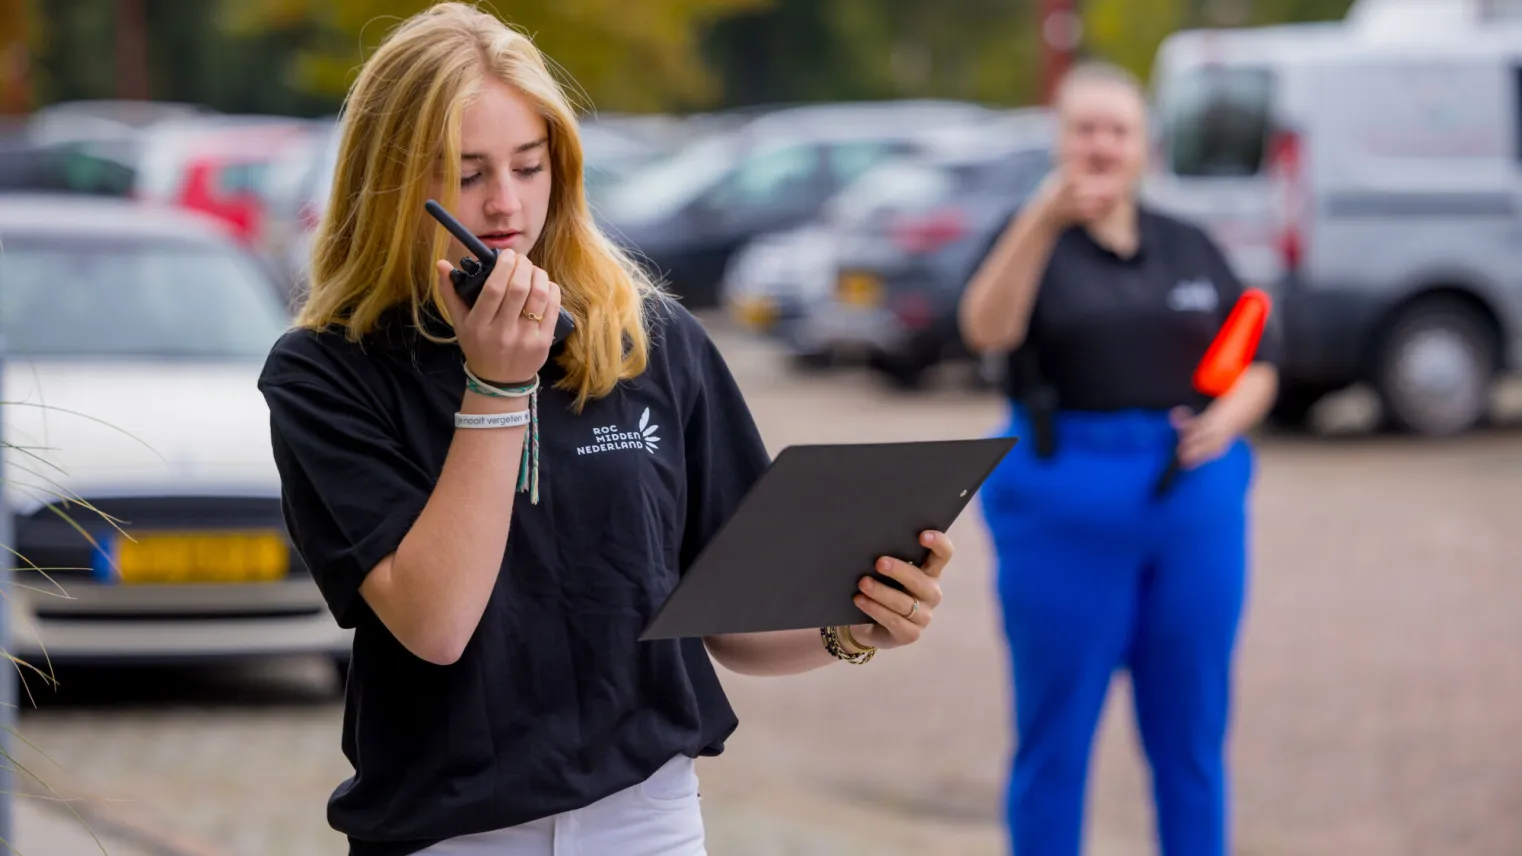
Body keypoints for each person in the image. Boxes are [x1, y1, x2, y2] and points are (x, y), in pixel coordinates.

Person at [255, 4, 960, 855]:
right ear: (394, 184)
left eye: (529, 165)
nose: (506, 203)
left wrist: (851, 625)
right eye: (468, 173)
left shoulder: (648, 338)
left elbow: (731, 612)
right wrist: (495, 386)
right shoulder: (326, 372)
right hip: (452, 833)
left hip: (648, 818)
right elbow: (435, 626)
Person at [957, 61, 1281, 856]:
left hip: (1192, 501)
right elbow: (986, 330)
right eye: (1085, 129)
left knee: (1192, 735)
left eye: (1119, 130)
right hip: (1064, 499)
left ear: (1145, 146)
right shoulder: (1030, 240)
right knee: (1056, 736)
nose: (1102, 145)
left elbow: (1260, 356)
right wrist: (1041, 220)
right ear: (1059, 139)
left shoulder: (1188, 244)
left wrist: (1229, 417)